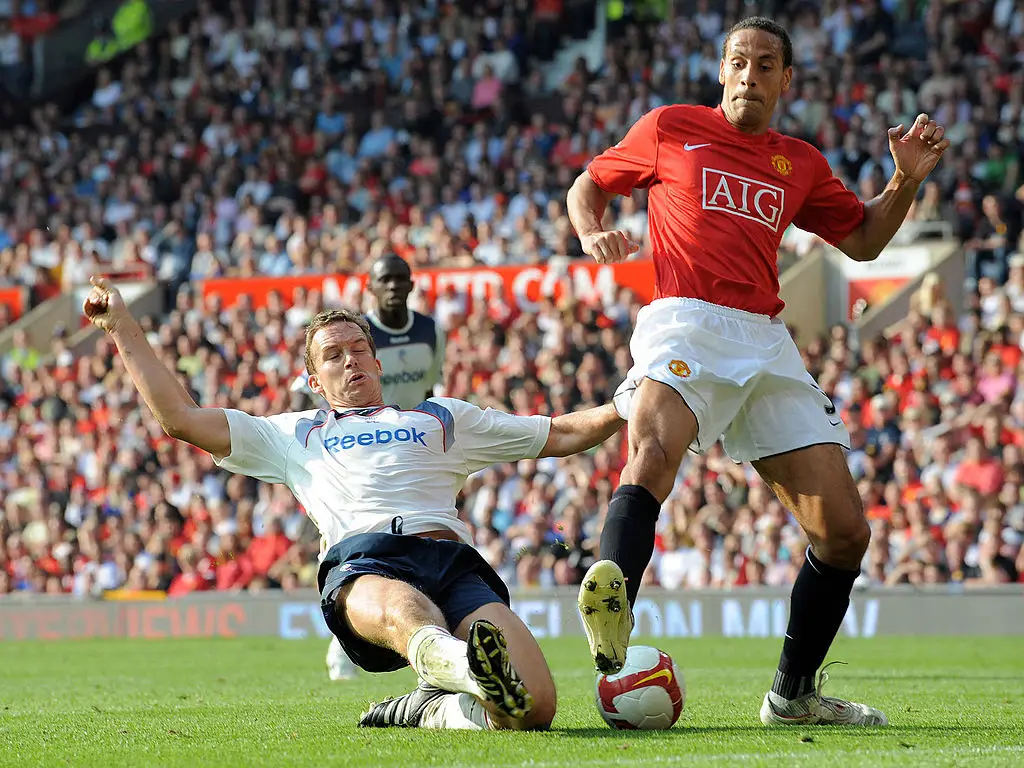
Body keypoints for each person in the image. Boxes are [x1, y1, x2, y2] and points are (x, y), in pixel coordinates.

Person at [567, 16, 950, 727]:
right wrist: (593, 230)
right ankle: (615, 599)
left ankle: (792, 695)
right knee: (652, 453)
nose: (750, 74)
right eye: (739, 61)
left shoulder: (798, 162)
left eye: (765, 64)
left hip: (765, 341)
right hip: (685, 317)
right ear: (721, 70)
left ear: (785, 79)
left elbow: (864, 241)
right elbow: (588, 184)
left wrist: (903, 179)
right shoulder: (670, 127)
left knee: (844, 535)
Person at [82, 277, 624, 731]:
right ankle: (465, 666)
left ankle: (430, 705)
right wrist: (122, 326)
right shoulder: (294, 433)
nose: (350, 361)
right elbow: (180, 418)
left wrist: (631, 400)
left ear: (379, 361)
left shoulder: (442, 419)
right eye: (332, 355)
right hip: (367, 564)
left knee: (534, 713)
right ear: (315, 380)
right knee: (404, 612)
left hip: (452, 564)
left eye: (359, 348)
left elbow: (560, 433)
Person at [320, 254, 447, 681]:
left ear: (412, 285)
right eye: (384, 280)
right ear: (370, 288)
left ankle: (431, 633)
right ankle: (343, 635)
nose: (393, 286)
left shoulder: (430, 330)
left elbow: (431, 386)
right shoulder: (360, 337)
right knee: (342, 537)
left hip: (411, 443)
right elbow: (324, 390)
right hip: (355, 443)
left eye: (400, 279)